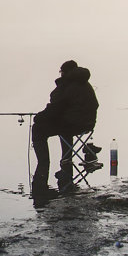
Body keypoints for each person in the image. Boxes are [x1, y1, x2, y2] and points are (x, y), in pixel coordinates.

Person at [31, 60, 99, 190]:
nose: (60, 74)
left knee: (38, 128)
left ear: (65, 72)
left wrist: (39, 117)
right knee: (64, 126)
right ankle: (66, 161)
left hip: (73, 125)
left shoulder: (67, 86)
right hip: (88, 124)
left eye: (61, 71)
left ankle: (43, 166)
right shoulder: (85, 84)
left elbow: (55, 108)